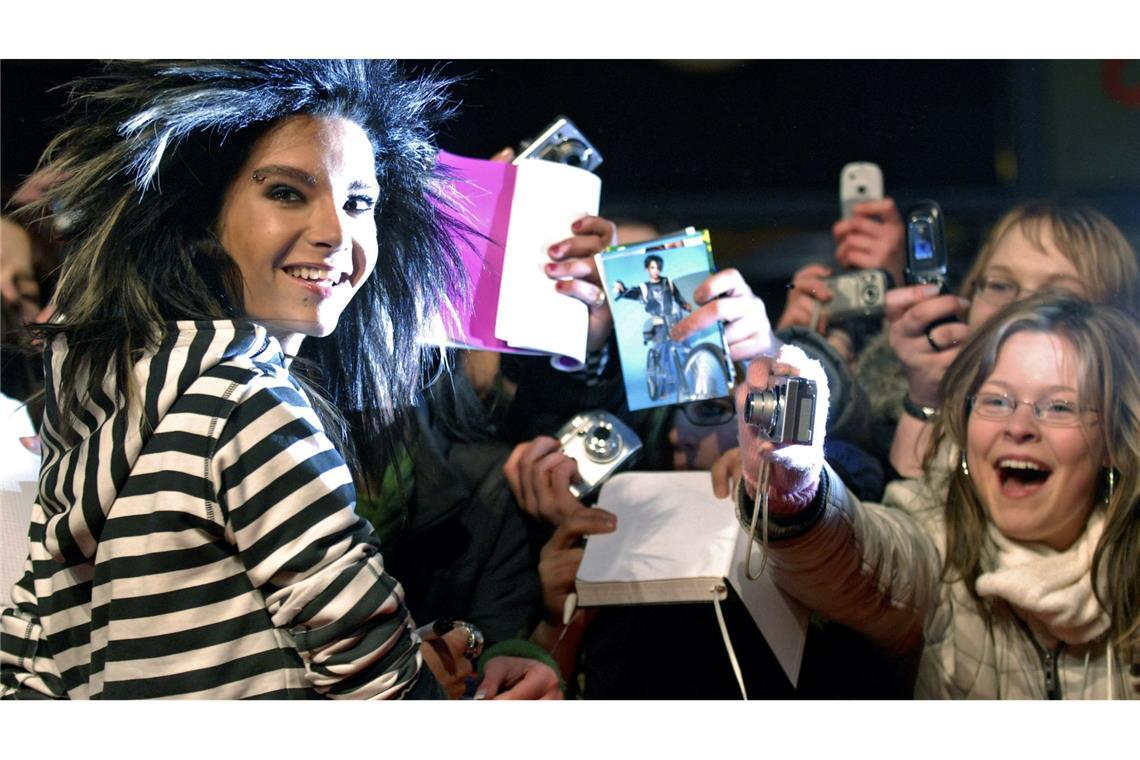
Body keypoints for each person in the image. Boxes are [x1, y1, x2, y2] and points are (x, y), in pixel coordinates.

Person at [0, 59, 475, 700]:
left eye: (360, 202)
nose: (337, 232)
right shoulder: (249, 405)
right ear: (201, 218)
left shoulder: (107, 399)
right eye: (286, 192)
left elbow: (31, 661)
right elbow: (375, 680)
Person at [733, 293, 1140, 698]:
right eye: (996, 400)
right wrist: (796, 490)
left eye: (1059, 407)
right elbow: (862, 557)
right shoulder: (937, 546)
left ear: (1111, 442)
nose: (1019, 426)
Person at [882, 200, 1139, 478]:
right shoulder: (885, 413)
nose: (1018, 310)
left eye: (1055, 296)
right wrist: (928, 395)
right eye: (1000, 286)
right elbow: (909, 513)